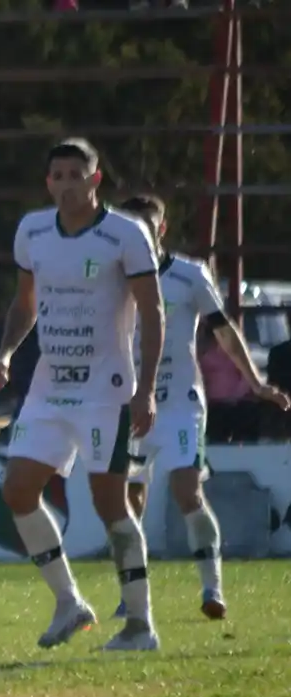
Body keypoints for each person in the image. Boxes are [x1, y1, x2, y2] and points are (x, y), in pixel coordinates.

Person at [0, 139, 166, 653]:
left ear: (95, 179)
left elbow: (153, 314)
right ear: (48, 183)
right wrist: (5, 352)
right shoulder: (33, 231)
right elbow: (25, 305)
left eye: (75, 174)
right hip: (49, 386)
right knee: (18, 489)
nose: (66, 183)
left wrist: (146, 388)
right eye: (57, 175)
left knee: (109, 504)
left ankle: (139, 624)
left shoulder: (125, 235)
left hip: (105, 392)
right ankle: (69, 602)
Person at [113, 194, 290, 620]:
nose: (139, 234)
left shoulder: (189, 274)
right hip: (129, 404)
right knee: (125, 501)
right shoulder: (111, 275)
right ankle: (132, 594)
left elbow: (223, 330)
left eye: (146, 225)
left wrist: (256, 383)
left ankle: (212, 588)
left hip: (178, 404)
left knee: (186, 490)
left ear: (161, 229)